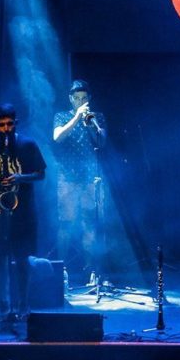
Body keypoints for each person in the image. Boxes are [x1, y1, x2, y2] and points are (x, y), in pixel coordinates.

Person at [0, 104, 47, 334]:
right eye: (1, 125)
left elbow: (41, 174)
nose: (6, 128)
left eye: (10, 124)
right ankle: (3, 303)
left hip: (22, 212)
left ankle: (23, 303)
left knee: (22, 259)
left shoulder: (28, 144)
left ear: (16, 123)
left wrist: (20, 177)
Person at [51, 79, 107, 284]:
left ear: (89, 99)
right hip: (67, 178)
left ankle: (92, 270)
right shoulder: (61, 116)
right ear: (71, 99)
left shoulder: (96, 117)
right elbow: (57, 137)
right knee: (66, 223)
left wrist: (90, 124)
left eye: (84, 98)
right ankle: (61, 269)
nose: (81, 102)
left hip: (91, 179)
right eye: (77, 98)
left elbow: (103, 141)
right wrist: (76, 117)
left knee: (90, 223)